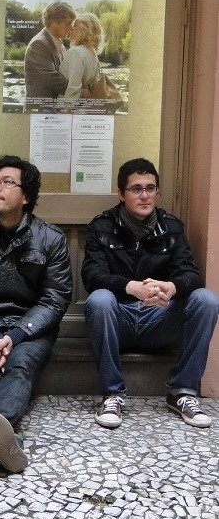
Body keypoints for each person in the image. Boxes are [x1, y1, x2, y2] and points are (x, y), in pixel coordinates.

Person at [0, 156, 72, 473]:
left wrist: (16, 334)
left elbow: (56, 298)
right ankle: (2, 442)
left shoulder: (51, 239)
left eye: (7, 182)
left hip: (31, 328)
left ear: (26, 196)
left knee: (19, 367)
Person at [82, 158, 219, 429]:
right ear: (121, 194)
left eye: (150, 188)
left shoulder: (172, 228)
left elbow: (191, 275)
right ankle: (112, 394)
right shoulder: (101, 227)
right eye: (136, 189)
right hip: (118, 320)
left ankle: (182, 391)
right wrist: (130, 287)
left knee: (207, 300)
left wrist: (171, 287)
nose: (145, 195)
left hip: (159, 319)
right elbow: (92, 275)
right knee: (99, 299)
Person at [24, 1, 76, 103]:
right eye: (68, 23)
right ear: (54, 23)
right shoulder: (39, 44)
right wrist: (78, 90)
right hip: (41, 109)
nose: (71, 28)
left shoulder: (59, 43)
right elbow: (50, 79)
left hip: (53, 108)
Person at [60, 12, 102, 99]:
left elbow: (73, 89)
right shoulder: (92, 54)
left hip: (67, 105)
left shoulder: (76, 52)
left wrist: (65, 106)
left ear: (84, 30)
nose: (71, 28)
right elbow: (94, 85)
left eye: (75, 25)